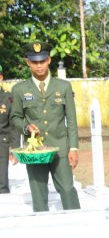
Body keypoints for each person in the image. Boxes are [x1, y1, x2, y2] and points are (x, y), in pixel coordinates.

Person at [10, 42, 81, 211]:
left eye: (42, 61)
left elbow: (71, 120)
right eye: (35, 62)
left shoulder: (63, 87)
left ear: (49, 60)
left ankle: (76, 225)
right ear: (28, 62)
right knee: (39, 193)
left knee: (67, 189)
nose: (39, 65)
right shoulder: (19, 89)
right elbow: (15, 117)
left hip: (60, 148)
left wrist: (74, 148)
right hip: (35, 151)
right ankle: (43, 229)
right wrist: (27, 127)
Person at [0, 65, 19, 194]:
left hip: (2, 143)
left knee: (1, 186)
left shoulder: (8, 99)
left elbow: (13, 126)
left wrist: (15, 149)